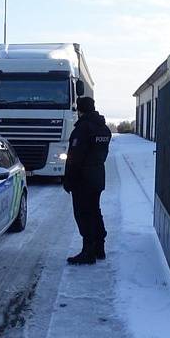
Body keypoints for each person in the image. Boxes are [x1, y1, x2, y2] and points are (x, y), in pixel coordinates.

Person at [63, 96, 112, 265]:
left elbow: (74, 158)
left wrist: (68, 179)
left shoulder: (82, 129)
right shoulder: (104, 129)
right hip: (98, 176)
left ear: (81, 110)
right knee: (94, 211)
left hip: (82, 179)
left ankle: (88, 251)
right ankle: (100, 248)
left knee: (83, 214)